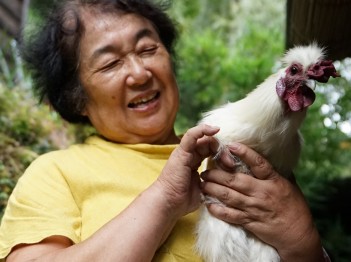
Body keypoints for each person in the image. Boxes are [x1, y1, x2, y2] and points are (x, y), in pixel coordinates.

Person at [0, 0, 329, 261]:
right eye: (111, 63)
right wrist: (164, 198)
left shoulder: (243, 154)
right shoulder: (54, 173)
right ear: (77, 98)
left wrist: (303, 244)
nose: (140, 73)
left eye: (147, 49)